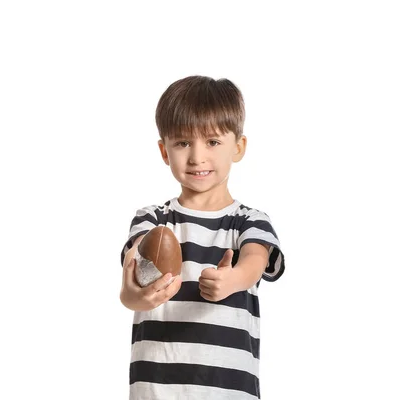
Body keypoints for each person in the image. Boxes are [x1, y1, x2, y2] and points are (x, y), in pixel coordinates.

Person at [119, 75, 285, 400]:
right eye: (182, 143)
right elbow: (134, 267)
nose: (197, 157)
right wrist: (133, 296)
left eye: (212, 142)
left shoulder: (249, 221)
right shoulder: (153, 219)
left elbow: (255, 260)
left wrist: (234, 279)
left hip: (228, 391)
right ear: (164, 151)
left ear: (238, 147)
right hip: (156, 389)